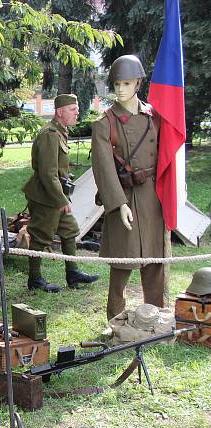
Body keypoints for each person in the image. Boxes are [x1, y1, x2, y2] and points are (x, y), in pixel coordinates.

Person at [91, 55, 165, 319]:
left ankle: (157, 315)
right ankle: (115, 317)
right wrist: (119, 202)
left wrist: (174, 189)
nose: (120, 90)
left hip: (153, 196)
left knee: (156, 259)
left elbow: (167, 155)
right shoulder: (105, 123)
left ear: (138, 84)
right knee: (122, 261)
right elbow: (103, 168)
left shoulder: (154, 117)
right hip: (124, 196)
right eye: (117, 84)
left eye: (126, 84)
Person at [23, 93, 99, 292]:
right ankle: (35, 279)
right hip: (46, 197)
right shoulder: (49, 134)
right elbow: (48, 174)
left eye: (77, 110)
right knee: (40, 237)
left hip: (56, 195)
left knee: (70, 231)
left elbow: (56, 169)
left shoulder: (59, 132)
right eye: (73, 110)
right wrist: (61, 199)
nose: (77, 113)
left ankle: (72, 274)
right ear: (59, 112)